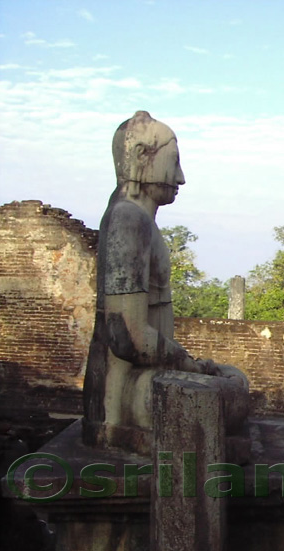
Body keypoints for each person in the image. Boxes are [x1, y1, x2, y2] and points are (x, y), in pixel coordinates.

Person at [83, 111, 247, 454]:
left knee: (229, 377)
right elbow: (126, 335)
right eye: (174, 162)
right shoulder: (128, 218)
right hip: (127, 394)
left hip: (139, 380)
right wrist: (187, 363)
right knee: (232, 391)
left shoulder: (134, 215)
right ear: (142, 157)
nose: (181, 178)